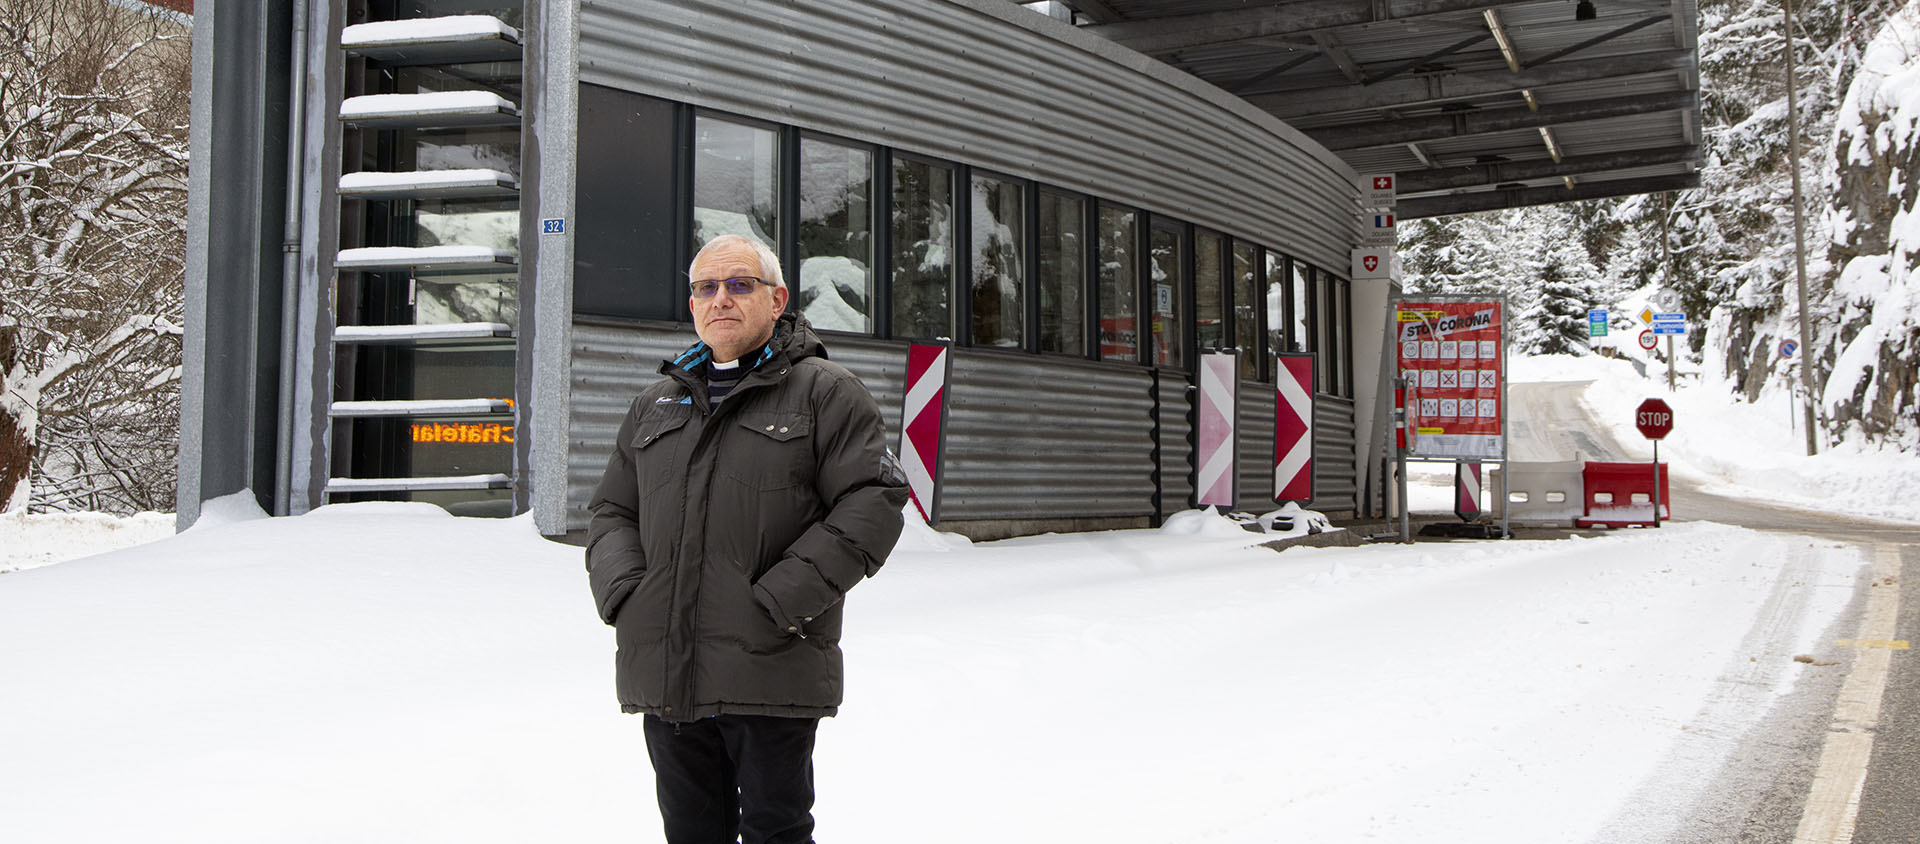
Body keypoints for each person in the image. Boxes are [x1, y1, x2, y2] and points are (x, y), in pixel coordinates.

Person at [585, 233, 908, 844]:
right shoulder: (657, 403)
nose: (720, 299)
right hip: (667, 669)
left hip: (770, 663)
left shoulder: (824, 392)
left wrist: (782, 600)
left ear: (778, 298)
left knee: (774, 831)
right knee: (690, 832)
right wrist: (628, 593)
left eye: (739, 285)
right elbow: (610, 510)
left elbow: (874, 498)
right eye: (705, 288)